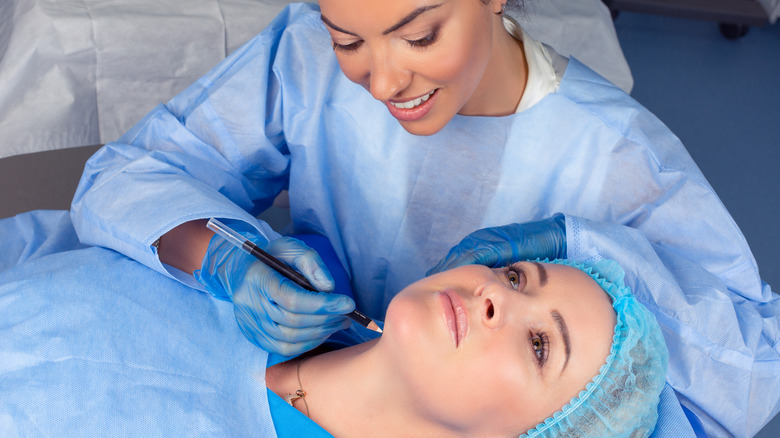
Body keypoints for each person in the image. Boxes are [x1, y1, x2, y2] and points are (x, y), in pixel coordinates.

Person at [66, 0, 778, 435]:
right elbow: (132, 175)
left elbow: (750, 370)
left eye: (421, 34)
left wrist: (580, 242)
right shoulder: (305, 58)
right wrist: (222, 256)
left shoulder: (618, 159)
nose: (382, 79)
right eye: (349, 40)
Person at [0, 217, 668, 437]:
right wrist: (207, 251)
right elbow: (53, 237)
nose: (495, 292)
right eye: (519, 277)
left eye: (540, 344)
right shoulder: (279, 264)